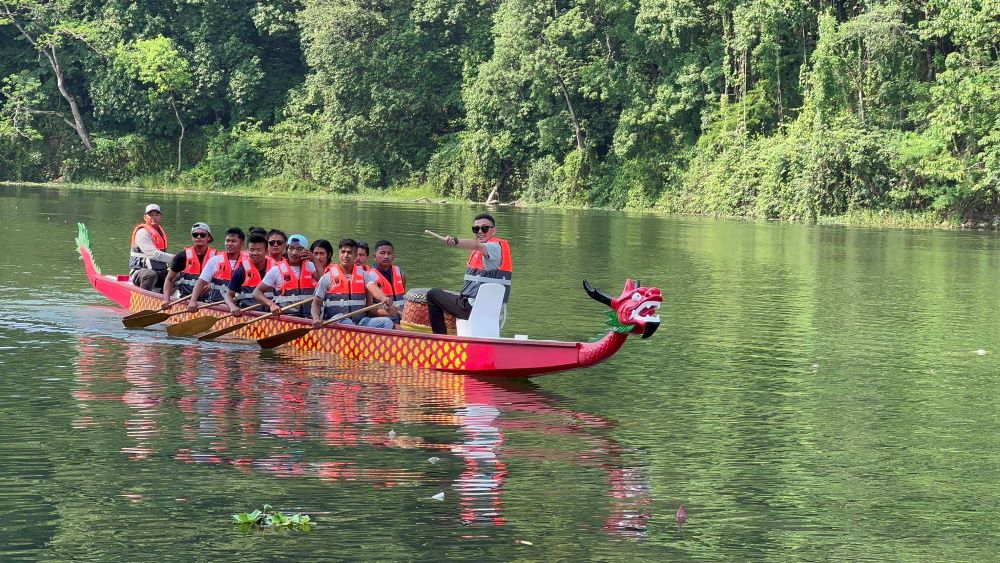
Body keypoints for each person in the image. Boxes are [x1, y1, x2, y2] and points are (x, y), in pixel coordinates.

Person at [426, 213, 512, 335]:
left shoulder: (494, 248)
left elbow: (476, 245)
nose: (480, 231)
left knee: (432, 294)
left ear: (494, 230)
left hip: (472, 309)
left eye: (484, 228)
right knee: (452, 295)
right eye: (476, 229)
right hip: (491, 309)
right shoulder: (489, 248)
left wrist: (454, 241)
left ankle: (440, 338)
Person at [311, 239, 394, 329]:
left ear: (355, 256)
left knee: (387, 322)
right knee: (347, 322)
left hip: (360, 322)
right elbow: (316, 303)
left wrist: (383, 298)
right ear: (339, 254)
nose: (345, 256)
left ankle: (369, 341)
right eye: (343, 252)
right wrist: (316, 318)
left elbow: (374, 289)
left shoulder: (364, 275)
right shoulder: (327, 277)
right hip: (334, 322)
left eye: (349, 253)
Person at [253, 234, 318, 318]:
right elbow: (256, 293)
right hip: (286, 318)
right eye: (291, 248)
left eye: (299, 249)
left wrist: (314, 259)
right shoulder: (276, 270)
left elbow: (323, 281)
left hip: (309, 317)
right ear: (287, 249)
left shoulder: (311, 266)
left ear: (305, 251)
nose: (294, 253)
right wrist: (271, 304)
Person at [186, 227, 247, 309]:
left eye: (233, 241)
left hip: (239, 307)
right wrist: (193, 301)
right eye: (227, 241)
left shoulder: (248, 263)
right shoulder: (214, 260)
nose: (229, 244)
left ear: (242, 243)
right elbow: (200, 283)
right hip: (215, 305)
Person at [162, 222, 216, 307]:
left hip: (210, 300)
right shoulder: (181, 256)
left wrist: (213, 284)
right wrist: (166, 300)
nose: (198, 237)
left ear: (208, 238)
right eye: (195, 235)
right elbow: (169, 279)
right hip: (186, 298)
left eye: (202, 235)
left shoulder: (216, 257)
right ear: (192, 238)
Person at [225, 234, 272, 316]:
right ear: (248, 250)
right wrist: (232, 306)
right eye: (252, 250)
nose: (254, 253)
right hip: (247, 313)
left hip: (270, 312)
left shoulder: (274, 269)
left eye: (258, 250)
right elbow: (228, 295)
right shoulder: (240, 271)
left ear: (266, 251)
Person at [129, 203, 172, 291]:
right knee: (150, 274)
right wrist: (177, 259)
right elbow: (154, 255)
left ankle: (166, 298)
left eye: (157, 215)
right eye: (151, 215)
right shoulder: (142, 233)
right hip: (140, 271)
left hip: (159, 271)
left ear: (160, 217)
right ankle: (143, 298)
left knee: (179, 274)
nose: (154, 217)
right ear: (145, 217)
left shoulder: (160, 233)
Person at [364, 240, 405, 328]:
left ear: (393, 257)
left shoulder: (400, 274)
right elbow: (370, 310)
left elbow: (403, 298)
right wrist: (388, 311)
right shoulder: (369, 276)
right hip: (384, 320)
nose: (386, 256)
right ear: (375, 257)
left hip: (402, 319)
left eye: (389, 253)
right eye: (382, 253)